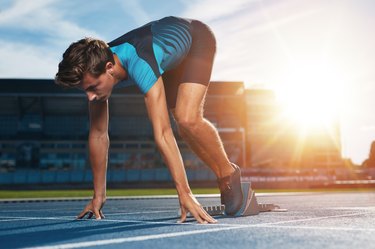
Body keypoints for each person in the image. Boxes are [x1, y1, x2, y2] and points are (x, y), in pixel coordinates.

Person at [55, 16, 243, 224]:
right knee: (182, 122)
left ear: (109, 67)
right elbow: (98, 135)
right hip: (166, 60)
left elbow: (162, 132)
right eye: (85, 91)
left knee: (187, 119)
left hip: (196, 40)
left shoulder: (139, 62)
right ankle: (223, 173)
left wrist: (185, 193)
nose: (90, 97)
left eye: (92, 88)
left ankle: (228, 173)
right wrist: (98, 196)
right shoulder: (96, 66)